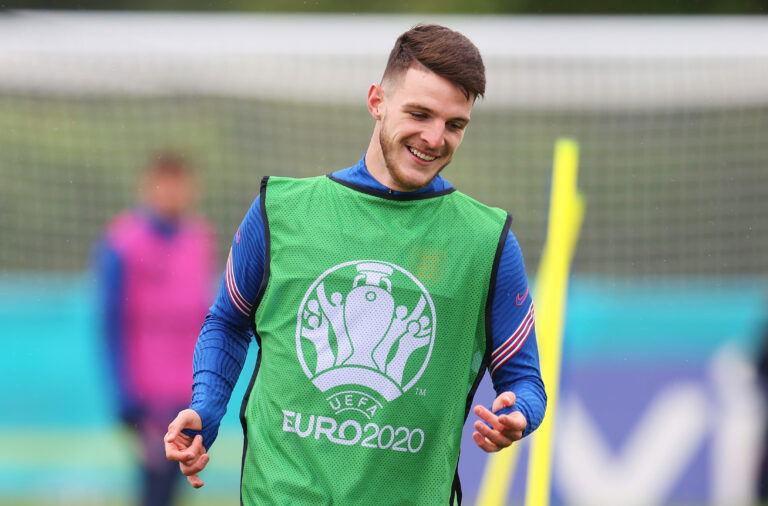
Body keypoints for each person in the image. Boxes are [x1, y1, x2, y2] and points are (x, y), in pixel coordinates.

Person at [165, 24, 546, 504]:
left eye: (455, 124)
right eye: (420, 113)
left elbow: (525, 381)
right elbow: (228, 322)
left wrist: (519, 415)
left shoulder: (486, 241)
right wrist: (206, 409)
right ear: (376, 101)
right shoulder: (279, 210)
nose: (435, 138)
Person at [96, 153, 215, 506]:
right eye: (166, 183)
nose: (174, 193)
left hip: (188, 387)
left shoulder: (199, 238)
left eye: (182, 184)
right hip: (147, 392)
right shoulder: (123, 241)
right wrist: (124, 394)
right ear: (147, 186)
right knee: (155, 485)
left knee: (182, 481)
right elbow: (111, 321)